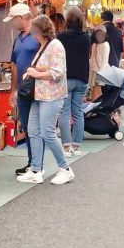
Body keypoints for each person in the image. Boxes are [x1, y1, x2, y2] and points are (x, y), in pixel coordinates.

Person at [16, 15, 75, 185]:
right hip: (39, 95)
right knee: (34, 130)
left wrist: (36, 73)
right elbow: (48, 68)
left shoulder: (55, 45)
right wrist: (33, 71)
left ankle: (65, 168)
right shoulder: (44, 46)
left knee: (48, 133)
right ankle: (35, 169)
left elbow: (58, 72)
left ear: (41, 31)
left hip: (51, 96)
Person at [5, 3, 40, 176]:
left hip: (38, 87)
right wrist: (13, 89)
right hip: (23, 89)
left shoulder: (37, 35)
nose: (12, 23)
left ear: (21, 18)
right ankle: (32, 163)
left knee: (36, 127)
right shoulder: (18, 38)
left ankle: (36, 164)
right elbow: (13, 64)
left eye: (13, 19)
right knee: (26, 125)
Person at [58, 6, 92, 157]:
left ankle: (66, 147)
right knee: (78, 112)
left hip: (66, 77)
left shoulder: (61, 37)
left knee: (64, 112)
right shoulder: (86, 37)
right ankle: (76, 146)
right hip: (82, 77)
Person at [89, 26, 110, 101]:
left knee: (96, 91)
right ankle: (97, 107)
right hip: (93, 71)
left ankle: (95, 107)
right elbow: (92, 59)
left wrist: (100, 75)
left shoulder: (105, 44)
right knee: (96, 91)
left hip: (100, 71)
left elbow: (105, 61)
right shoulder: (94, 44)